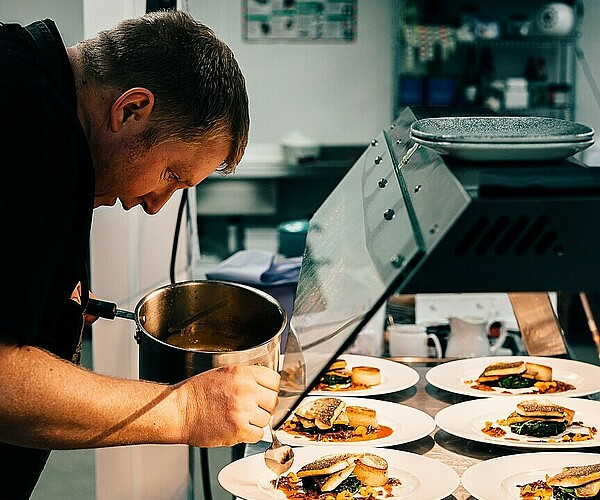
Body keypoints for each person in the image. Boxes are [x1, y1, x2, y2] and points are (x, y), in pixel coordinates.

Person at [0, 10, 280, 498]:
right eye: (171, 174)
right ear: (131, 110)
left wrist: (47, 305)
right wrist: (186, 410)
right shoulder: (28, 122)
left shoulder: (26, 75)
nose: (155, 204)